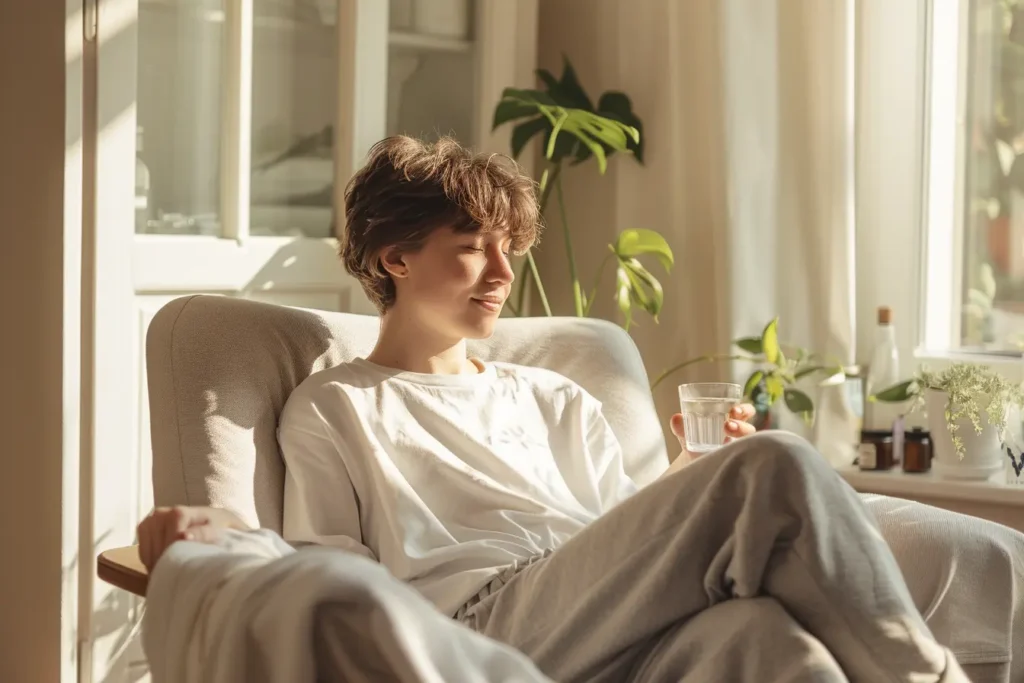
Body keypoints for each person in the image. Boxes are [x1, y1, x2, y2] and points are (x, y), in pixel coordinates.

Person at [138, 136, 969, 682]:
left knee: (769, 643)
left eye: (509, 248)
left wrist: (688, 474)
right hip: (480, 625)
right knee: (777, 467)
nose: (502, 270)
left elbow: (621, 537)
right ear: (395, 255)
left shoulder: (553, 395)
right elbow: (323, 570)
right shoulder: (335, 408)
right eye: (471, 247)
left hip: (608, 629)